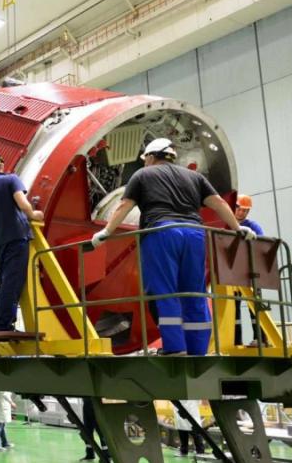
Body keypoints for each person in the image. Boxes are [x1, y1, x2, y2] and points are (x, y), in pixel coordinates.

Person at [91, 138, 256, 355]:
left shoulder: (143, 175)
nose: (144, 163)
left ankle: (175, 348)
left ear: (151, 157)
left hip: (162, 233)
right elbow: (219, 203)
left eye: (145, 159)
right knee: (195, 293)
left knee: (164, 291)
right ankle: (198, 350)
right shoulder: (194, 177)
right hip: (195, 234)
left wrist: (106, 232)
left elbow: (124, 206)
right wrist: (237, 228)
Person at [0, 149, 45, 332]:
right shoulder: (11, 180)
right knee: (12, 282)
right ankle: (3, 324)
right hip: (18, 237)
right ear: (1, 164)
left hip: (0, 241)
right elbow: (23, 203)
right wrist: (34, 214)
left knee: (5, 281)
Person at [232, 194, 266, 346]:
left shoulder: (253, 226)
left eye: (245, 210)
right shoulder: (227, 224)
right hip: (231, 272)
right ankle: (235, 340)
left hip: (251, 271)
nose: (242, 213)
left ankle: (260, 338)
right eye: (239, 209)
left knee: (255, 305)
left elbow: (262, 243)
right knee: (234, 307)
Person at [80, 397, 107, 462]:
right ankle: (90, 454)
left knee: (100, 430)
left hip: (95, 403)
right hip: (86, 403)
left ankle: (107, 454)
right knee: (87, 431)